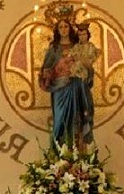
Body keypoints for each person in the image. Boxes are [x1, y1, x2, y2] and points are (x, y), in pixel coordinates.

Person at [38, 18, 93, 149]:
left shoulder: (77, 47)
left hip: (76, 87)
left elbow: (88, 67)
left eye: (66, 26)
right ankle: (58, 152)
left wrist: (84, 70)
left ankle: (76, 151)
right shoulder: (53, 49)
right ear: (57, 30)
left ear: (70, 29)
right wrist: (54, 72)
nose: (63, 29)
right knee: (59, 119)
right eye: (60, 27)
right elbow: (45, 69)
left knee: (76, 118)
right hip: (60, 88)